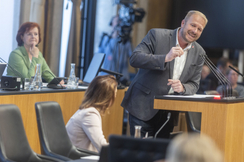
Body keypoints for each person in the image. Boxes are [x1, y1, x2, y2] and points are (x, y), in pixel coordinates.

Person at [121, 10, 208, 138]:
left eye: (199, 29)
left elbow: (194, 85)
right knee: (142, 155)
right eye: (193, 25)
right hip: (143, 106)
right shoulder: (157, 35)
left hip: (168, 114)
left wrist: (183, 88)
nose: (195, 31)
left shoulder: (200, 52)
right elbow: (135, 58)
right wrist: (165, 58)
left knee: (162, 156)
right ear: (183, 23)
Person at [66, 75, 118, 152]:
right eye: (115, 94)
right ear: (107, 97)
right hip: (79, 158)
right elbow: (102, 147)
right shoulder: (90, 114)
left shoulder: (86, 110)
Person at [98, 15, 133, 85]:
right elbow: (98, 57)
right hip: (105, 78)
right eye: (117, 21)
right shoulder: (106, 39)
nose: (119, 23)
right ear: (111, 23)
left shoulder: (125, 41)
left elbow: (133, 56)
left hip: (122, 79)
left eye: (121, 21)